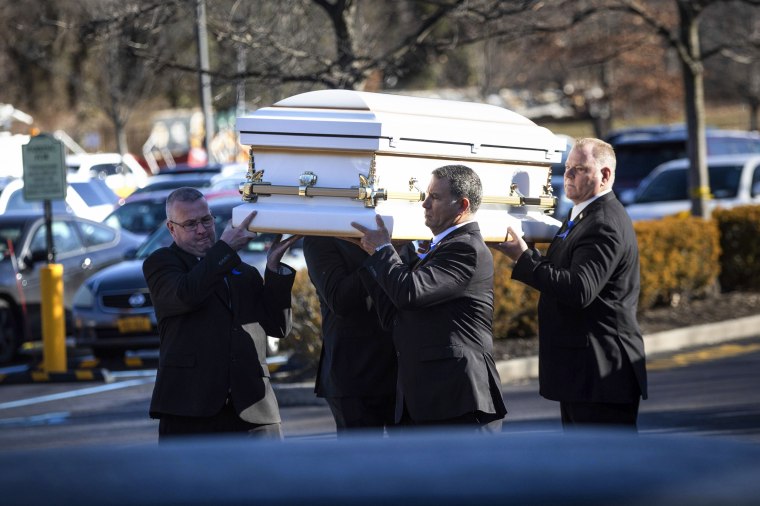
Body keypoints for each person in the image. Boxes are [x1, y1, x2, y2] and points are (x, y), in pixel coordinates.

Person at [491, 137, 647, 430]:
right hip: (584, 373)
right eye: (567, 168)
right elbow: (564, 271)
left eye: (579, 168)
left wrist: (525, 259)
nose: (568, 175)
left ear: (604, 175)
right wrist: (529, 256)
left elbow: (579, 289)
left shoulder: (603, 222)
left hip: (600, 374)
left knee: (603, 469)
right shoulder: (583, 216)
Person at [351, 164, 507, 432]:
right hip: (425, 401)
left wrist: (384, 251)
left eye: (434, 197)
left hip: (457, 401)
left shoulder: (465, 248)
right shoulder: (441, 249)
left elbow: (410, 293)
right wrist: (373, 257)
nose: (424, 204)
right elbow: (394, 316)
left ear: (462, 205)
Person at [143, 187, 300, 441]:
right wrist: (226, 249)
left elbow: (278, 327)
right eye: (191, 224)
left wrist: (273, 270)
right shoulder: (161, 264)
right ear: (172, 229)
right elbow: (187, 294)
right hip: (191, 410)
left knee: (270, 481)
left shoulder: (242, 271)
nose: (202, 230)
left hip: (254, 409)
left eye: (206, 220)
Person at [302, 236, 397, 436]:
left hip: (400, 370)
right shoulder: (320, 238)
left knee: (412, 460)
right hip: (354, 373)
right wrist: (381, 254)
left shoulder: (395, 236)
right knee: (362, 462)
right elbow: (339, 299)